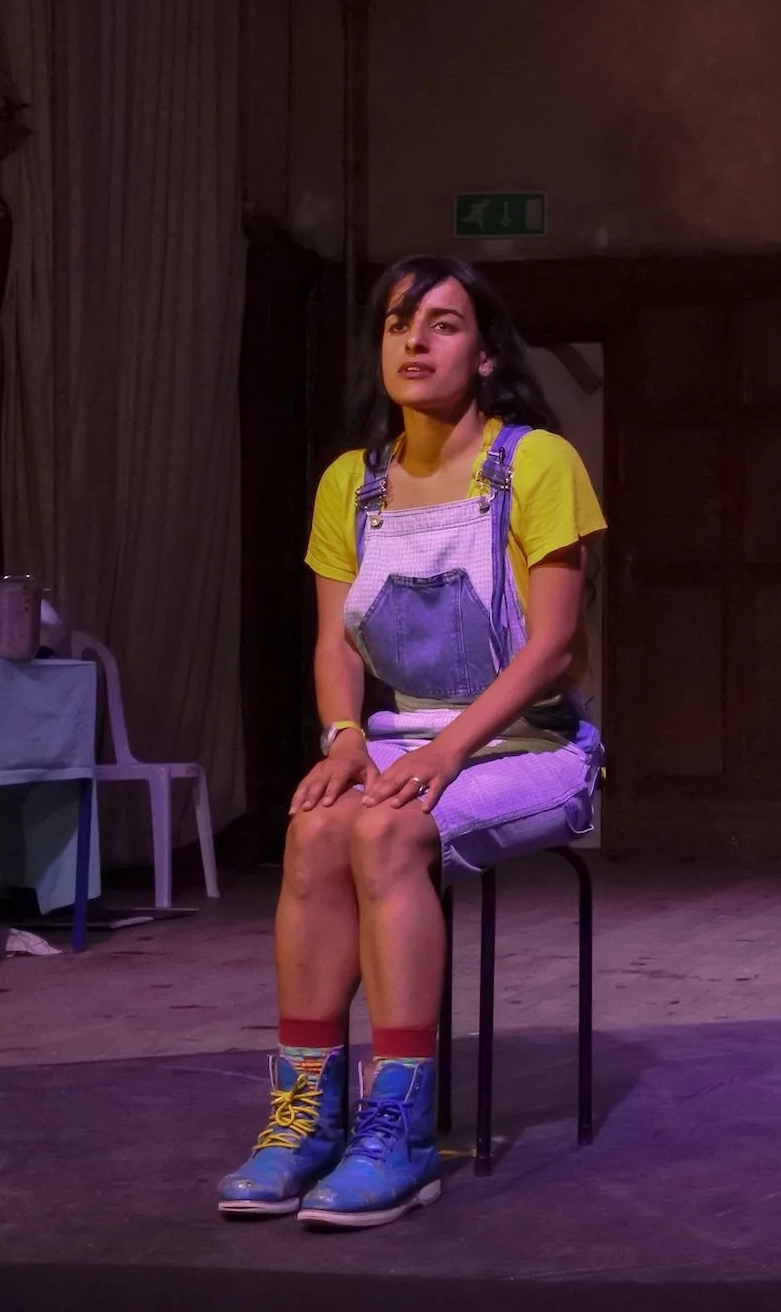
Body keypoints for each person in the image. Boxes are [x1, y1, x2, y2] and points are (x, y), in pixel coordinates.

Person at [217, 256, 606, 1229]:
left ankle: (401, 1125)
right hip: (400, 746)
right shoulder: (350, 483)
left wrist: (447, 751)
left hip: (531, 748)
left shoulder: (536, 463)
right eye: (398, 324)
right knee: (315, 831)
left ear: (485, 354)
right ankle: (306, 1113)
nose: (416, 342)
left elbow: (553, 645)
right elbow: (335, 642)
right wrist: (345, 737)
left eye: (442, 323)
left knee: (385, 834)